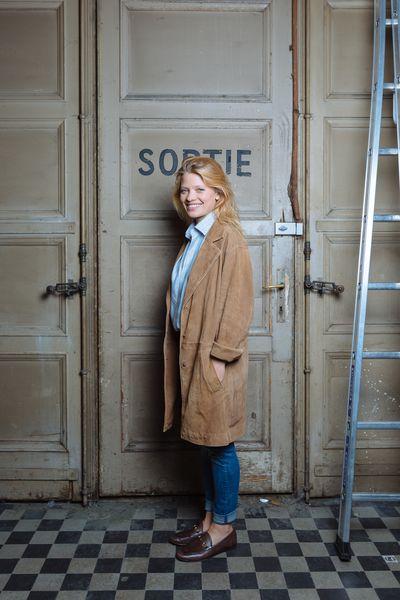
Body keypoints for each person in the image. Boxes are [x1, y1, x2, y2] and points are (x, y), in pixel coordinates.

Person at [163, 156, 254, 562]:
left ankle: (224, 526)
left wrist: (219, 358)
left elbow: (239, 302)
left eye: (200, 189)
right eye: (185, 189)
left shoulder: (228, 237)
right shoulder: (195, 236)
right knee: (205, 442)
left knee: (221, 445)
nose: (191, 196)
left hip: (212, 357)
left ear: (218, 194)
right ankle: (207, 520)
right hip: (190, 353)